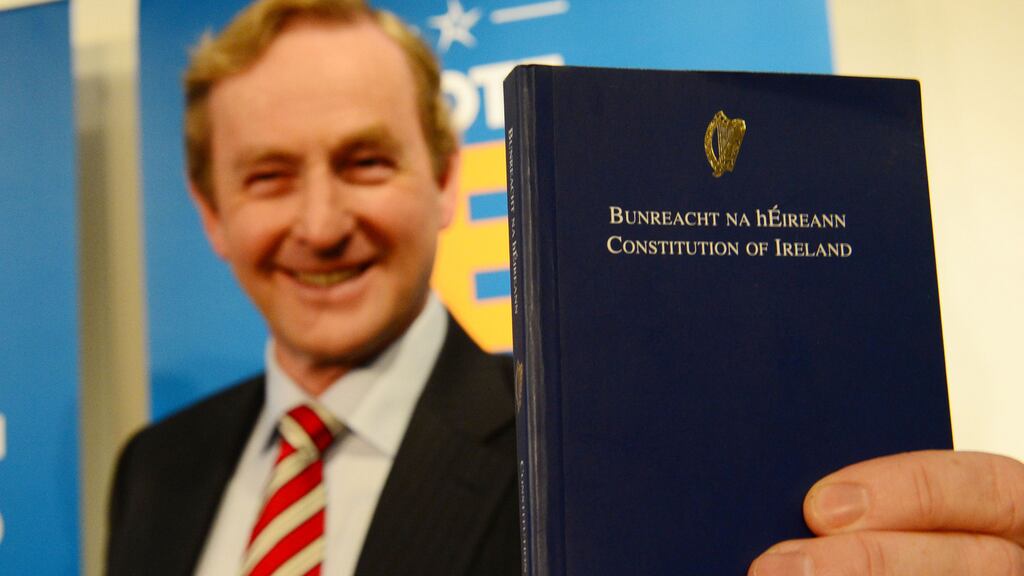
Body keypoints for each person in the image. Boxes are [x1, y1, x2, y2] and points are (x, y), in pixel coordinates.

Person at [107, 0, 1024, 575]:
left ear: (442, 181)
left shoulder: (605, 444)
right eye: (267, 175)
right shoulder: (155, 468)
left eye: (365, 161)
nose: (319, 222)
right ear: (210, 211)